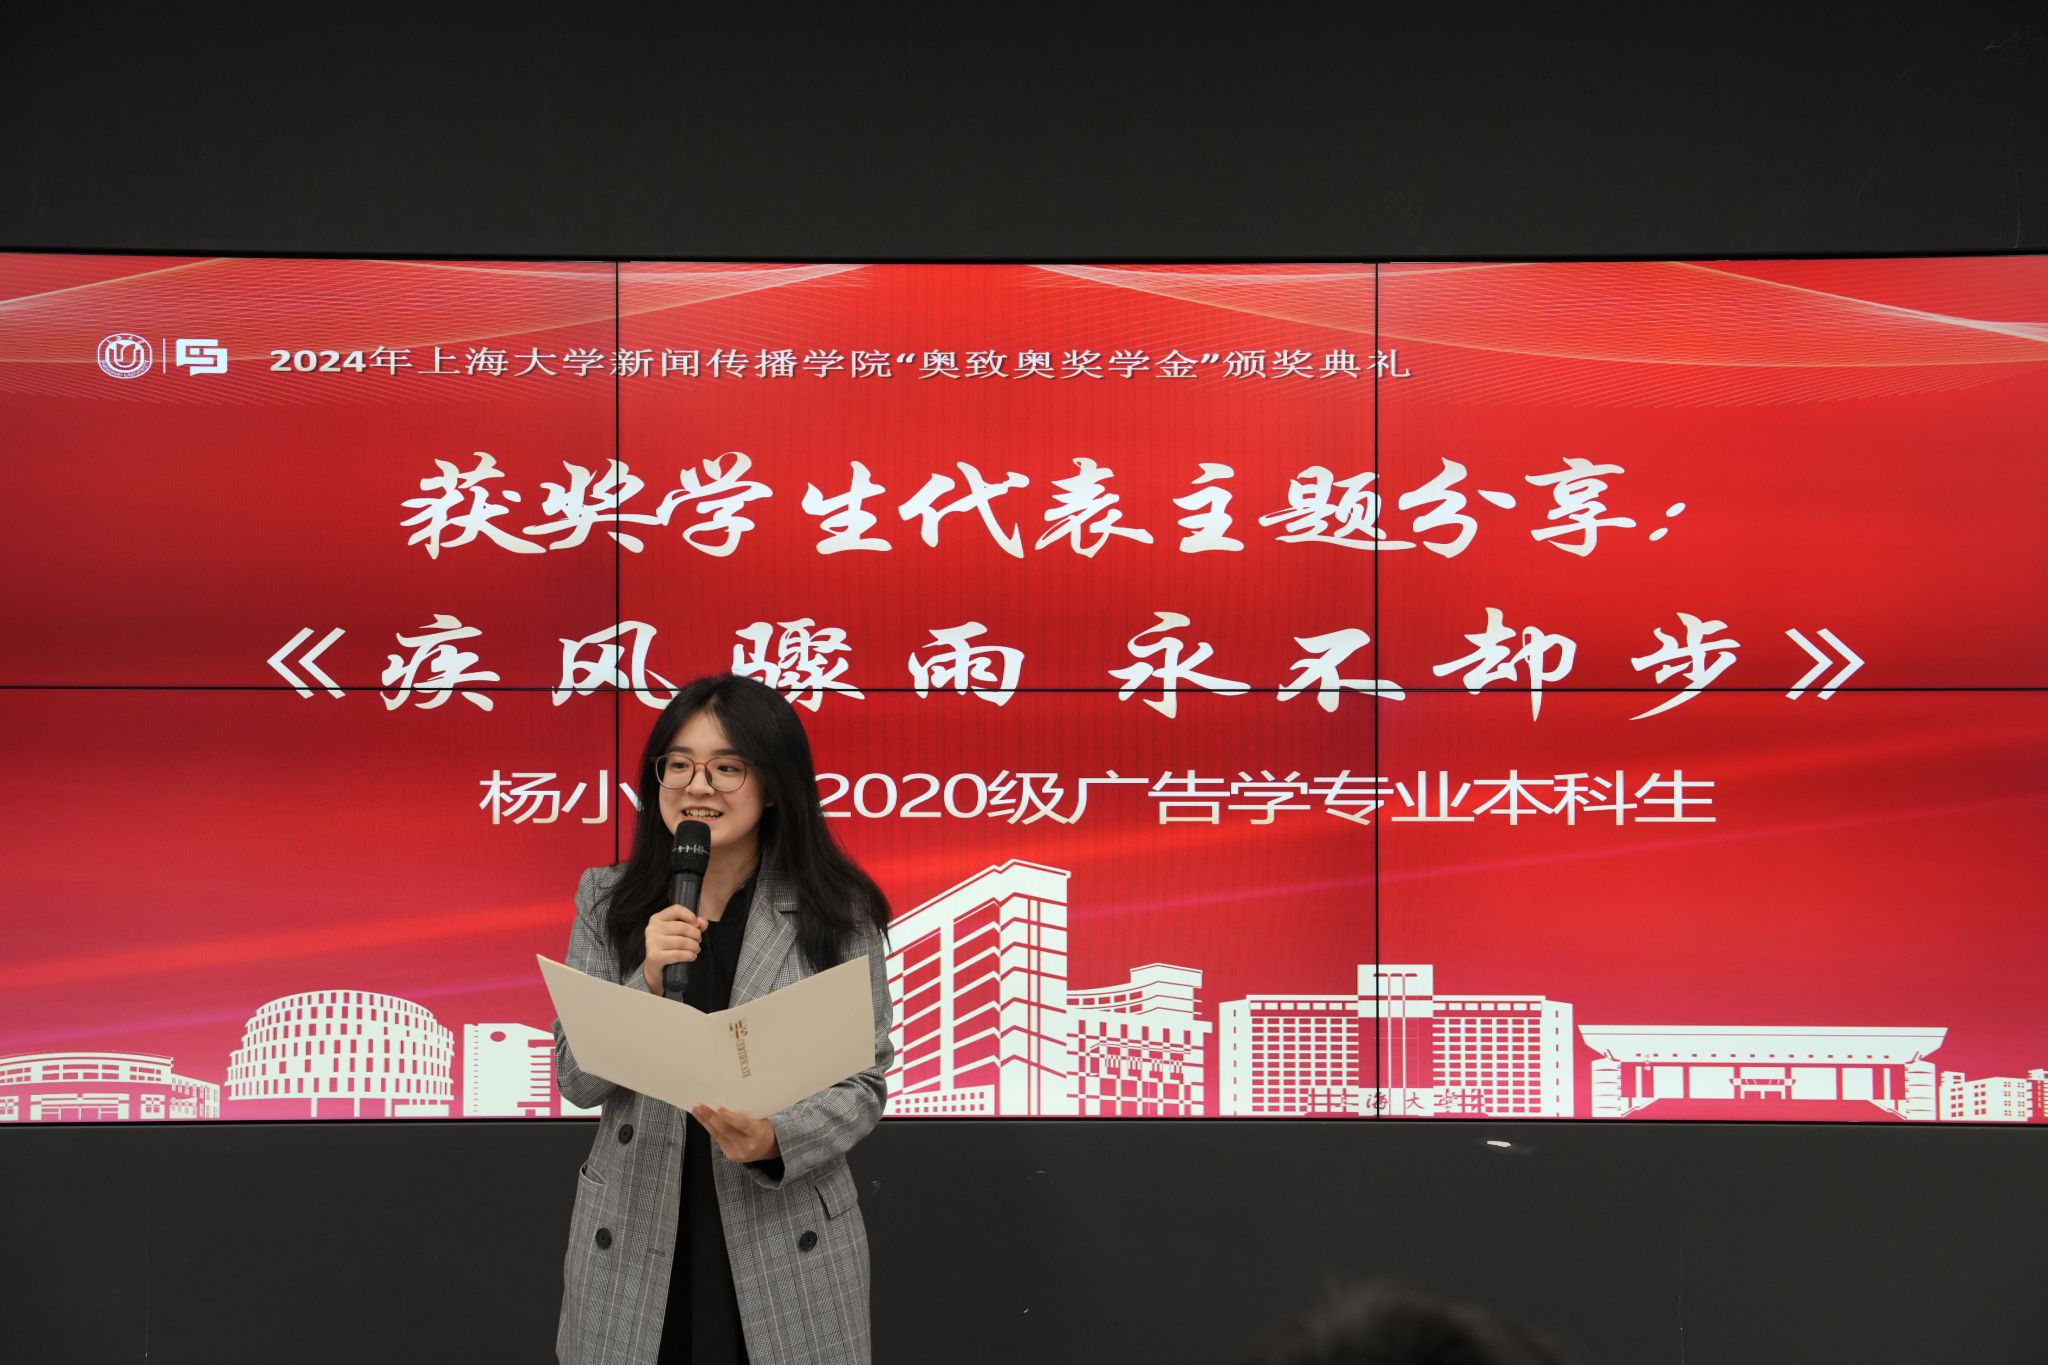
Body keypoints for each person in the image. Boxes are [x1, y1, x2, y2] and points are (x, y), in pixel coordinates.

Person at [551, 673, 893, 1365]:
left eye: (726, 767)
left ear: (773, 785)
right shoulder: (609, 900)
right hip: (636, 1230)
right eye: (678, 764)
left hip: (782, 1231)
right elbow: (575, 1079)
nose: (697, 786)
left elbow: (863, 1084)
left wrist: (775, 1137)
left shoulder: (835, 910)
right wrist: (644, 982)